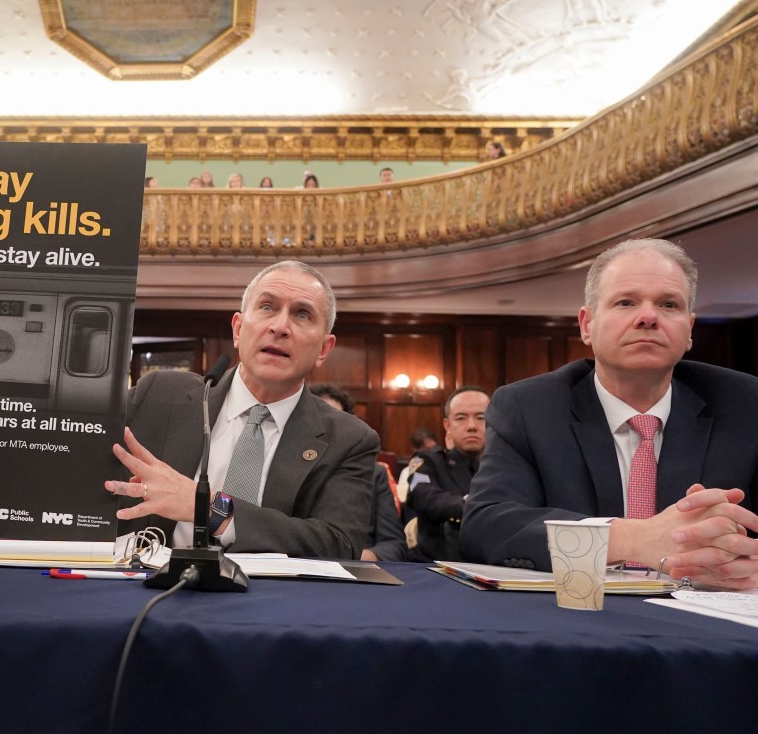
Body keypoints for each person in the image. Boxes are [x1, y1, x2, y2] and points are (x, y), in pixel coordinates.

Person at [462, 239, 758, 589]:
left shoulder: (745, 405)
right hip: (577, 620)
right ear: (587, 325)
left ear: (689, 330)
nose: (648, 317)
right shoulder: (530, 407)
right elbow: (487, 526)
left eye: (668, 304)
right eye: (625, 302)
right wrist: (633, 539)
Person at [106, 261, 380, 559]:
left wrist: (208, 508)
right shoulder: (160, 395)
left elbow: (338, 544)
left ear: (324, 349)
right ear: (238, 329)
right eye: (267, 307)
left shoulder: (349, 439)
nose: (280, 327)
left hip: (270, 600)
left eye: (302, 314)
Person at [310, 382, 407, 561]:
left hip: (356, 568)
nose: (326, 430)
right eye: (319, 419)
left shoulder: (375, 474)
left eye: (336, 421)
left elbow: (393, 544)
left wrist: (360, 557)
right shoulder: (283, 468)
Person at [406, 386, 490, 562]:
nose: (472, 426)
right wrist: (474, 507)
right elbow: (422, 495)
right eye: (461, 418)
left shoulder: (505, 468)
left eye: (481, 418)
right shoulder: (428, 461)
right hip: (438, 566)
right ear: (447, 426)